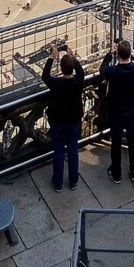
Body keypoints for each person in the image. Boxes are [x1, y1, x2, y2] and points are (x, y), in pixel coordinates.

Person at [100, 39, 134, 185]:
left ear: (118, 54)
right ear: (130, 54)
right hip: (132, 111)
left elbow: (102, 69)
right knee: (133, 142)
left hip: (116, 112)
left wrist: (110, 54)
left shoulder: (113, 71)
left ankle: (116, 174)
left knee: (116, 143)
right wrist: (131, 57)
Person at [42, 44, 85, 191]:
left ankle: (58, 183)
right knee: (73, 150)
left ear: (61, 68)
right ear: (72, 68)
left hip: (58, 121)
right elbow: (81, 71)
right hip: (74, 121)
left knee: (59, 151)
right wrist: (72, 57)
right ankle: (73, 181)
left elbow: (45, 76)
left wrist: (51, 57)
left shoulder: (56, 83)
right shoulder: (78, 80)